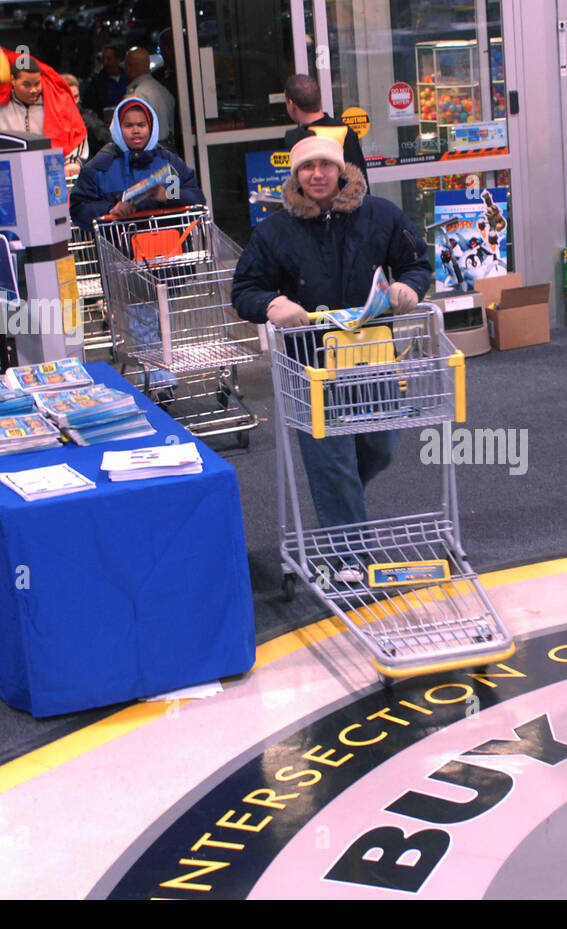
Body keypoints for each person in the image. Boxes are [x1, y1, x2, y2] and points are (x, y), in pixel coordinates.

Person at [231, 135, 431, 581]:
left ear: (342, 170)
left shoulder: (380, 215)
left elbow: (418, 261)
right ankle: (350, 559)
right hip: (310, 367)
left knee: (378, 449)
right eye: (306, 167)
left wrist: (410, 287)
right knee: (333, 461)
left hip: (373, 358)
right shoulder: (275, 231)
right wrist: (271, 305)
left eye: (325, 165)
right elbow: (244, 290)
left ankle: (339, 499)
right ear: (295, 175)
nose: (316, 174)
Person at [68, 96, 203, 231]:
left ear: (150, 127)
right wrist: (111, 209)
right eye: (128, 126)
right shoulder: (101, 166)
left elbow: (197, 197)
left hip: (170, 245)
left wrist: (169, 195)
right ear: (118, 129)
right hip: (120, 248)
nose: (136, 131)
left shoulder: (168, 160)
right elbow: (78, 208)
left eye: (141, 125)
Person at [0, 45, 87, 170]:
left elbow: (77, 133)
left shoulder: (55, 103)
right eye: (26, 85)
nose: (33, 90)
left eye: (37, 84)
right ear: (13, 81)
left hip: (50, 179)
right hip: (7, 179)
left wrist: (74, 163)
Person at [283, 74, 369, 190]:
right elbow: (360, 179)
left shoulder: (296, 138)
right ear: (319, 99)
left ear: (291, 104)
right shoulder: (345, 130)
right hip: (349, 202)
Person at [124, 47, 176, 150]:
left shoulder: (137, 94)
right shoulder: (164, 91)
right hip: (167, 151)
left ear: (130, 67)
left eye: (126, 66)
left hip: (149, 154)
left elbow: (134, 134)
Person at [61, 73, 111, 157]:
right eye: (68, 97)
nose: (73, 102)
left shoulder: (88, 119)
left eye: (76, 97)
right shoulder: (49, 120)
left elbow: (107, 139)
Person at [81, 45, 128, 118]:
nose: (105, 62)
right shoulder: (97, 82)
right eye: (103, 59)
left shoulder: (127, 77)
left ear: (118, 59)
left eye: (109, 59)